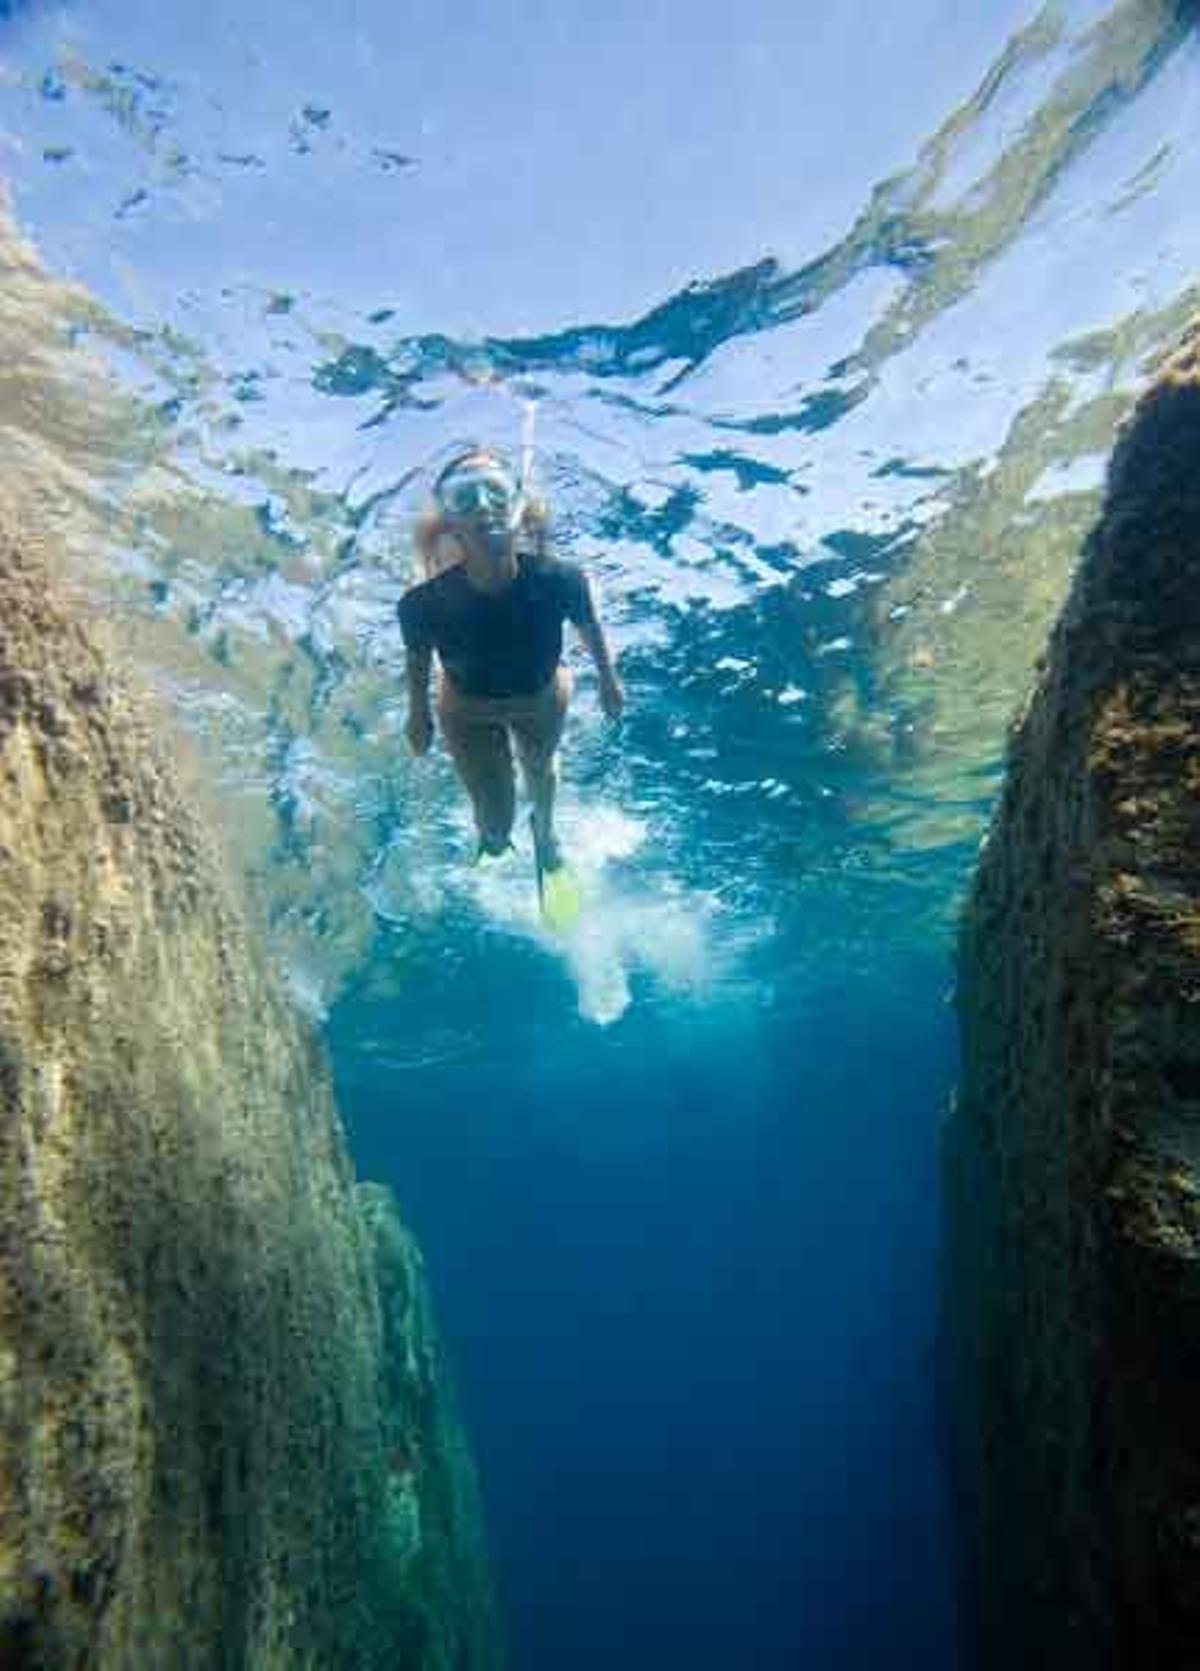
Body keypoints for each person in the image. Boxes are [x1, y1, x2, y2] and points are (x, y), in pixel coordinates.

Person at [398, 446, 624, 883]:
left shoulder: (562, 579)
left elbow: (590, 626)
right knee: (494, 820)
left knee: (540, 771)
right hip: (466, 711)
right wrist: (417, 714)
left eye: (496, 492)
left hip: (541, 699)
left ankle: (545, 832)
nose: (483, 507)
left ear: (518, 506)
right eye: (466, 498)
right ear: (451, 520)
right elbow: (418, 660)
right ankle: (495, 838)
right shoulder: (422, 604)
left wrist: (609, 681)